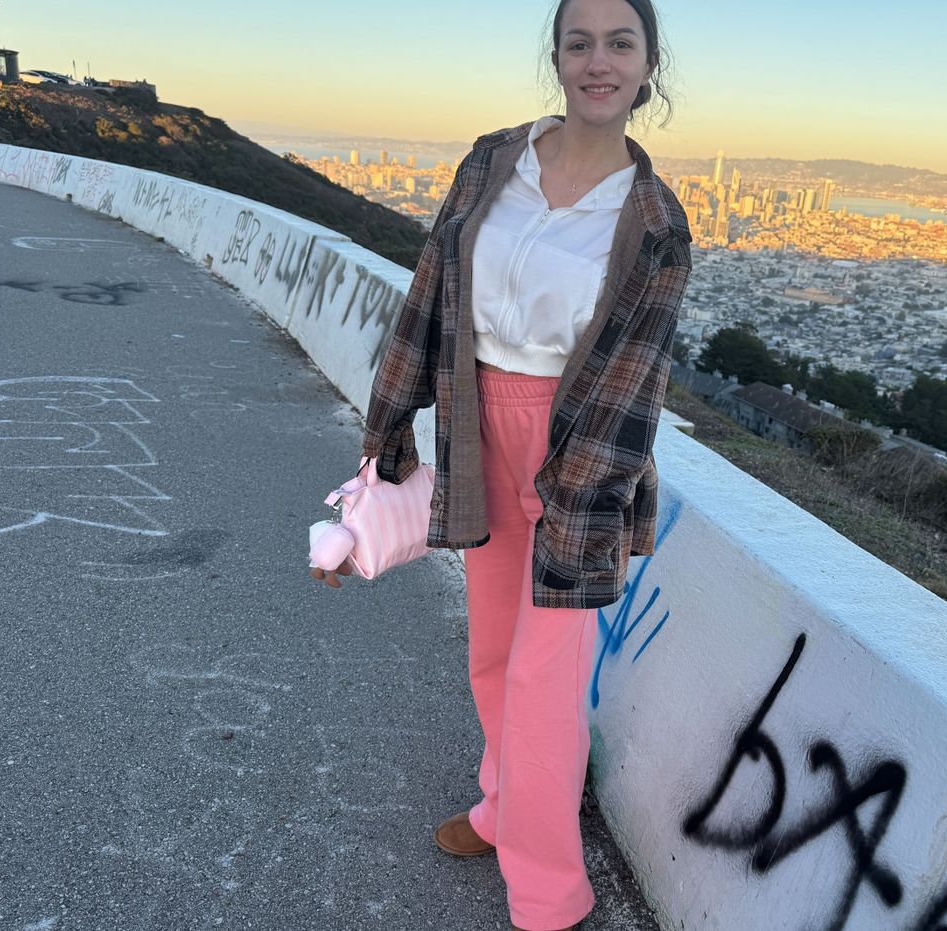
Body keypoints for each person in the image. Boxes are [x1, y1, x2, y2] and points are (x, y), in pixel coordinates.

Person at [312, 0, 690, 927]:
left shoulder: (654, 221)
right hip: (478, 424)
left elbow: (633, 385)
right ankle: (500, 806)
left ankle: (550, 893)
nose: (598, 62)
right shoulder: (493, 161)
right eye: (579, 42)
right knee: (491, 651)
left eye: (620, 43)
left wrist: (581, 500)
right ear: (556, 57)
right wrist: (389, 432)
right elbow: (431, 293)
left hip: (580, 448)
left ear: (648, 64)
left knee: (543, 680)